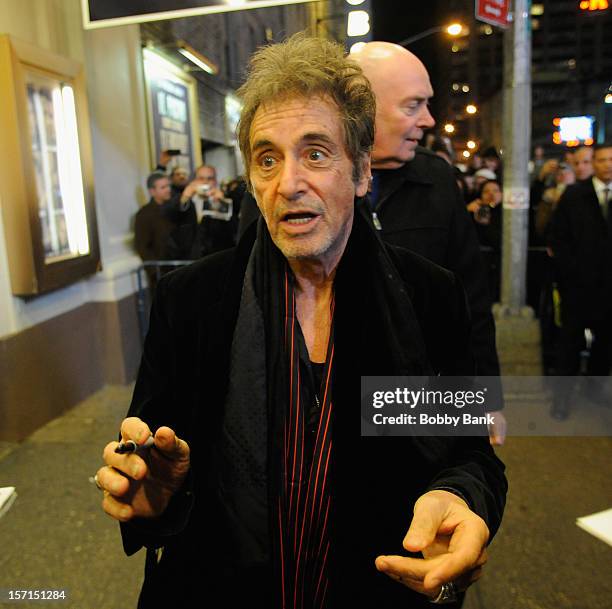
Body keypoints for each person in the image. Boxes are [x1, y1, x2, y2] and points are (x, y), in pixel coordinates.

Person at [95, 35, 506, 609]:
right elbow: (153, 462)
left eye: (315, 153)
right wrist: (158, 495)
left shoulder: (427, 297)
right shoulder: (191, 300)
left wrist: (461, 498)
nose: (288, 183)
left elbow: (470, 453)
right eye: (268, 158)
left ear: (361, 171)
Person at [350, 41, 506, 445]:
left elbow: (471, 299)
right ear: (360, 107)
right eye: (412, 105)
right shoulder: (304, 185)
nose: (430, 120)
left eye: (427, 104)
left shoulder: (437, 179)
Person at [549, 143, 612, 419]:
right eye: (601, 160)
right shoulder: (575, 195)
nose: (607, 164)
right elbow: (558, 239)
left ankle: (594, 389)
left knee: (605, 344)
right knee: (570, 345)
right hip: (578, 287)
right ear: (592, 163)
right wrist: (571, 274)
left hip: (610, 291)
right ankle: (561, 399)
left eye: (611, 159)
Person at [179, 164, 235, 256]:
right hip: (191, 256)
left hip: (218, 255)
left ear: (215, 181)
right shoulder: (188, 199)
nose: (205, 182)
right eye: (201, 178)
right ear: (195, 181)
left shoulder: (224, 199)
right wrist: (185, 197)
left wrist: (222, 202)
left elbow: (233, 229)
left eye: (210, 179)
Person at [134, 172, 176, 290]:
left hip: (178, 268)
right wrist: (155, 272)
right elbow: (142, 245)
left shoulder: (174, 208)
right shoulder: (144, 214)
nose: (168, 190)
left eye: (168, 186)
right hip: (161, 273)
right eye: (163, 187)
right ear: (152, 191)